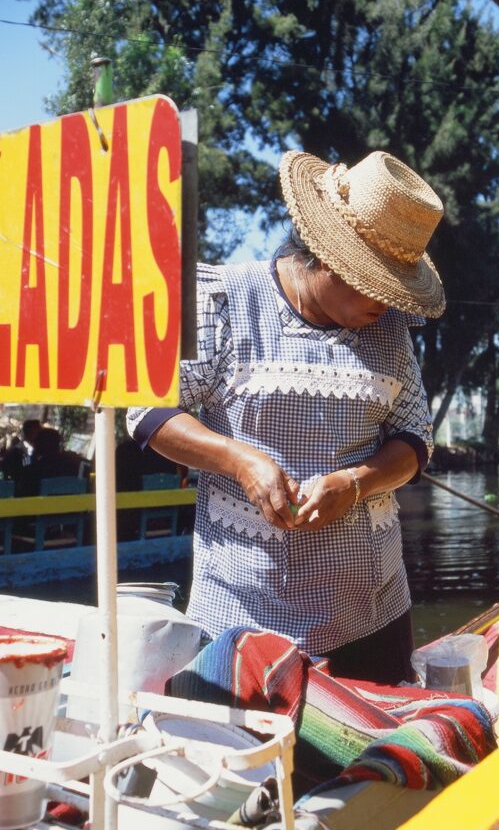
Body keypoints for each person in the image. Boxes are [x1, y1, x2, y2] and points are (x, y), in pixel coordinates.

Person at [128, 149, 445, 684]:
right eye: (375, 284)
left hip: (371, 613)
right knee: (253, 760)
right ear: (325, 257)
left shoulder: (388, 334)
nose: (387, 304)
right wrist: (239, 460)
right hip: (243, 614)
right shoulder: (226, 300)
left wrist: (356, 482)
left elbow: (415, 442)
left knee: (371, 761)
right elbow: (150, 413)